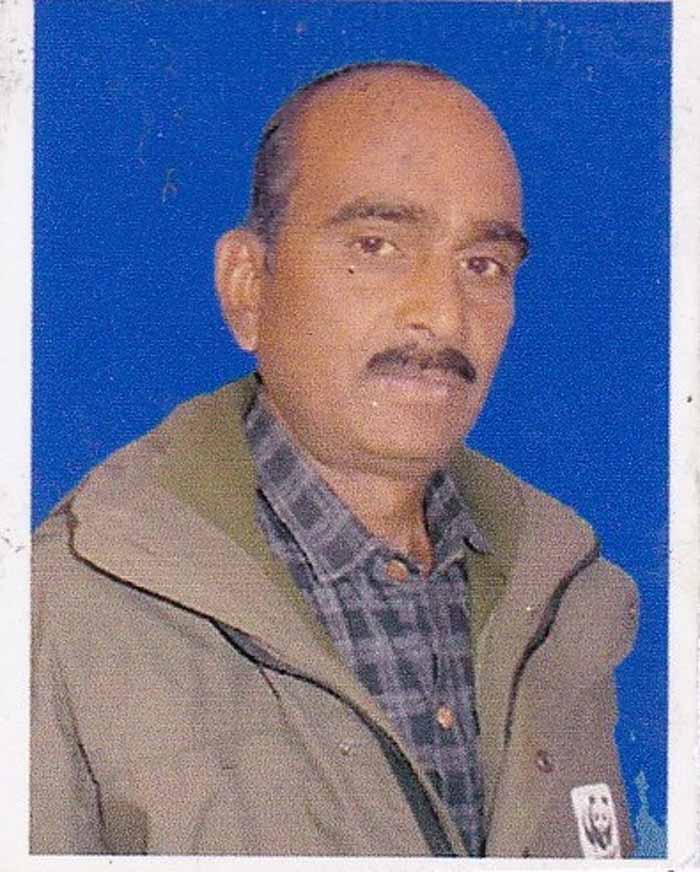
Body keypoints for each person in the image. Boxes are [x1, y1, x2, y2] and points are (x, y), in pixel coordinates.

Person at [30, 61, 638, 858]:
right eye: (377, 246)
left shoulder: (569, 603)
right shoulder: (63, 615)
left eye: (482, 265)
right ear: (248, 287)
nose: (443, 314)